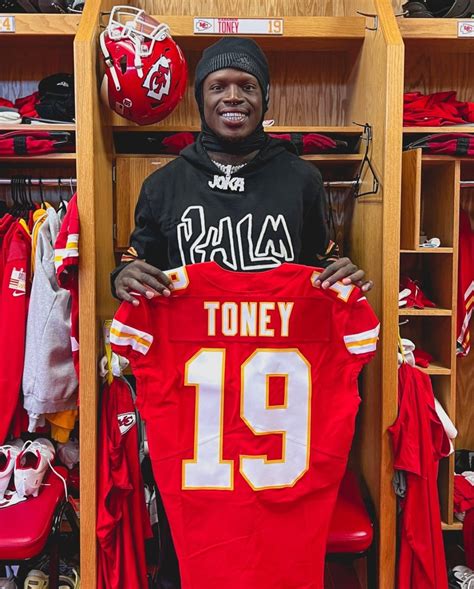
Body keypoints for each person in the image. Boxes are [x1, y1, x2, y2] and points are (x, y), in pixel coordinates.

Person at [111, 37, 373, 303]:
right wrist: (122, 276)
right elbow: (137, 263)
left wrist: (341, 275)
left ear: (264, 97)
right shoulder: (161, 186)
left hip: (278, 341)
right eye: (218, 86)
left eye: (248, 86)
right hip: (189, 341)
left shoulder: (302, 178)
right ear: (201, 99)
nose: (233, 97)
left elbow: (319, 262)